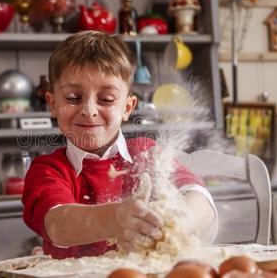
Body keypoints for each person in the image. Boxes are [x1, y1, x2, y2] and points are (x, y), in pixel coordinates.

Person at [22, 31, 217, 259]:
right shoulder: (48, 170)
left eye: (106, 99)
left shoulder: (147, 153)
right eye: (73, 97)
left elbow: (199, 196)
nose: (89, 110)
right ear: (53, 104)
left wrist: (176, 222)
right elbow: (57, 223)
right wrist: (115, 218)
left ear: (127, 107)